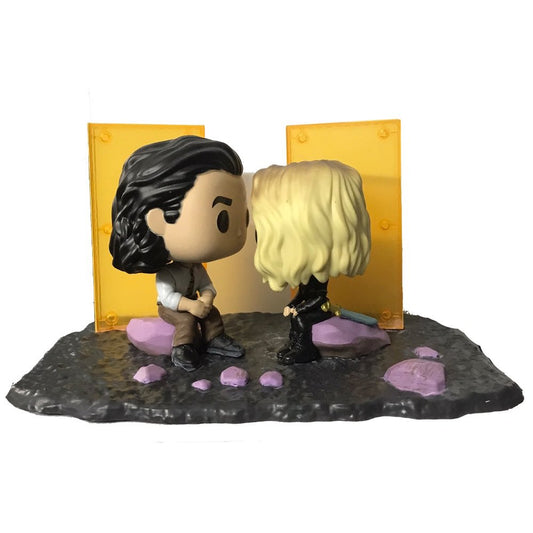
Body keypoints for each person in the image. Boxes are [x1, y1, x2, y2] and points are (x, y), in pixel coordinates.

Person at [110, 135, 248, 371]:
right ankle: (182, 348)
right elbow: (168, 298)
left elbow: (207, 285)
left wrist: (206, 299)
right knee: (186, 321)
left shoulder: (197, 269)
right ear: (158, 220)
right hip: (174, 309)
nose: (238, 230)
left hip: (194, 302)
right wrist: (191, 306)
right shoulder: (167, 273)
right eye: (222, 218)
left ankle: (215, 339)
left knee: (212, 314)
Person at [252, 160, 371, 364]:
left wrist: (299, 309)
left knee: (300, 320)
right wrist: (293, 304)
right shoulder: (307, 272)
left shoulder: (319, 274)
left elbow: (318, 297)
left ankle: (304, 349)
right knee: (295, 319)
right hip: (309, 306)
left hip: (320, 308)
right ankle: (294, 344)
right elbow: (302, 293)